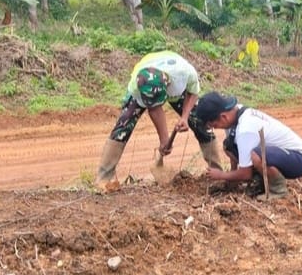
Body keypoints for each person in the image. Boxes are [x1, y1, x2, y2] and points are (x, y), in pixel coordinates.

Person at [95, 51, 221, 191]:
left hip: (172, 81)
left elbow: (193, 92)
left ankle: (217, 173)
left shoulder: (185, 73)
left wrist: (185, 117)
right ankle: (103, 179)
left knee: (200, 122)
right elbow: (154, 108)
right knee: (123, 126)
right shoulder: (136, 87)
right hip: (147, 79)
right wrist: (164, 139)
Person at [195, 91, 302, 200]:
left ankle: (277, 189)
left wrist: (221, 175)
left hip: (299, 160)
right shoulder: (234, 114)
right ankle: (260, 180)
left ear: (223, 116)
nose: (215, 128)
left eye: (214, 125)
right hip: (280, 156)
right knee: (229, 145)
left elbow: (246, 173)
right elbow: (233, 149)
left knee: (256, 155)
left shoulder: (245, 129)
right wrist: (231, 181)